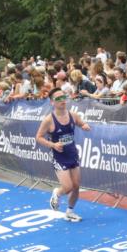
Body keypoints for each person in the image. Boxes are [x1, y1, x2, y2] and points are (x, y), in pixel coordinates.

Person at [35, 88, 90, 222]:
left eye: (63, 97)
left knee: (76, 186)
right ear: (52, 102)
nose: (62, 100)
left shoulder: (73, 115)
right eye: (58, 98)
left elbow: (81, 123)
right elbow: (39, 137)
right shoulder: (49, 120)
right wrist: (53, 145)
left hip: (72, 154)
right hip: (59, 157)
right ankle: (57, 193)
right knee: (67, 187)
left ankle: (70, 211)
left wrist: (84, 125)